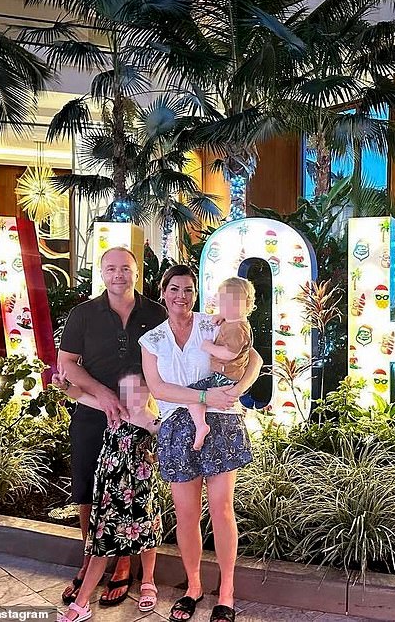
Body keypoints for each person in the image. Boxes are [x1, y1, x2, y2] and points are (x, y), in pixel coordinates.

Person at [140, 265, 262, 622]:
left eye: (189, 290)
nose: (182, 296)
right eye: (174, 289)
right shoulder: (152, 340)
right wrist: (206, 396)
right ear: (162, 292)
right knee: (187, 513)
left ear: (196, 294)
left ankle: (227, 591)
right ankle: (193, 586)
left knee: (222, 508)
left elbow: (252, 356)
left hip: (222, 423)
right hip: (178, 427)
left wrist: (239, 388)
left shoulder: (213, 324)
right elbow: (159, 390)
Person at [58, 247, 166, 606]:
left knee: (132, 493)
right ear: (101, 273)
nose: (118, 274)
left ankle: (122, 563)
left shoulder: (156, 313)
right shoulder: (83, 314)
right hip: (93, 414)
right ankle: (90, 557)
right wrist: (102, 395)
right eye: (110, 268)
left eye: (125, 268)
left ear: (137, 272)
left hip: (138, 419)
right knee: (87, 491)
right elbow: (68, 365)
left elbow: (169, 361)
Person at [54, 365, 162, 621]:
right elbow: (82, 396)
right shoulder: (114, 410)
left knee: (147, 529)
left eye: (139, 389)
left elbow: (169, 440)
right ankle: (82, 604)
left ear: (149, 393)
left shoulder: (151, 420)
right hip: (110, 488)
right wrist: (65, 386)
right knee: (102, 540)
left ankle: (149, 580)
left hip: (139, 488)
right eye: (127, 390)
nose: (132, 395)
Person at [187, 277, 255, 451]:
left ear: (247, 305)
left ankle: (201, 425)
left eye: (234, 302)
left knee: (193, 394)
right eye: (224, 301)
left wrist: (209, 346)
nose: (227, 306)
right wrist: (221, 316)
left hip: (226, 376)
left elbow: (230, 353)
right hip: (224, 374)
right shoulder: (232, 322)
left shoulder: (238, 328)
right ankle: (201, 424)